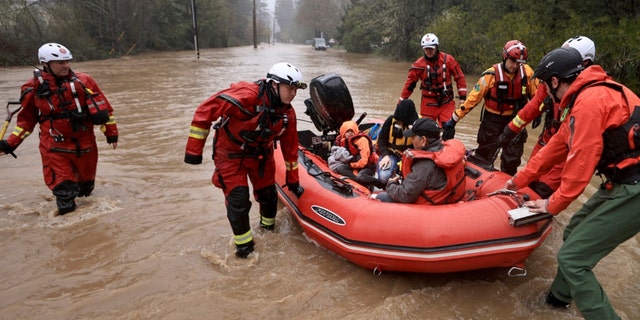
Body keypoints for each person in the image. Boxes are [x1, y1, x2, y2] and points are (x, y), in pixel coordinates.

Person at [505, 46, 640, 320]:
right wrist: (517, 182)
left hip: (633, 186)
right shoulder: (591, 95)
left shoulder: (589, 103)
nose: (546, 91)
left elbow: (579, 168)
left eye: (546, 84)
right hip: (622, 181)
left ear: (555, 81)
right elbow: (555, 147)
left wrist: (550, 204)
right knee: (574, 230)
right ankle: (559, 298)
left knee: (573, 259)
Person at [184, 62, 306, 258]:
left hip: (261, 155)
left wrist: (293, 181)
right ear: (274, 85)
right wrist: (193, 152)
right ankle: (244, 249)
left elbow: (290, 149)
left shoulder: (287, 114)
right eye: (289, 88)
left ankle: (268, 232)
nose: (293, 94)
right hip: (230, 155)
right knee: (239, 199)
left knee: (268, 196)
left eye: (295, 89)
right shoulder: (246, 96)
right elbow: (205, 111)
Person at [0, 43, 118, 215]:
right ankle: (68, 234)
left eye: (67, 61)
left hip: (85, 146)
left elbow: (105, 109)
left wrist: (112, 134)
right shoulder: (32, 88)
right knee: (65, 195)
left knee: (86, 193)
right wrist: (9, 144)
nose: (66, 65)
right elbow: (26, 121)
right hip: (55, 148)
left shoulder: (85, 81)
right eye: (60, 62)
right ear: (45, 64)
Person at [498, 36, 597, 198]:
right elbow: (532, 107)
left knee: (543, 189)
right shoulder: (553, 80)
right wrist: (510, 130)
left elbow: (584, 149)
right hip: (547, 139)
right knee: (528, 179)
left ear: (584, 63)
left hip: (566, 149)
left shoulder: (589, 96)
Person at [443, 40, 539, 175]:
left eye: (519, 63)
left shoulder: (527, 73)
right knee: (484, 156)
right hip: (492, 122)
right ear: (505, 57)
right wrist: (453, 120)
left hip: (515, 120)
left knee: (512, 158)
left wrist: (538, 113)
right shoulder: (490, 75)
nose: (515, 65)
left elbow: (538, 95)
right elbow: (472, 99)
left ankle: (507, 184)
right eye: (512, 61)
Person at [374, 118, 466, 204]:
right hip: (449, 195)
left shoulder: (424, 165)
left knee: (382, 197)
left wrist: (391, 184)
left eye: (413, 137)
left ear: (423, 140)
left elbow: (405, 195)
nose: (411, 140)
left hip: (433, 205)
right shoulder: (445, 149)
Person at [399, 33, 467, 126]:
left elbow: (459, 77)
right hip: (428, 104)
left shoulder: (448, 60)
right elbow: (410, 85)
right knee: (427, 130)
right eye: (426, 49)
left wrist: (463, 97)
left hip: (446, 102)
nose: (428, 51)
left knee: (448, 129)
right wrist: (401, 101)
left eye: (431, 48)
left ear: (436, 47)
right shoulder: (419, 65)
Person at [375, 99, 419, 184]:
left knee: (411, 180)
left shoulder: (417, 124)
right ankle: (392, 180)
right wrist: (385, 155)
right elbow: (382, 141)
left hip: (410, 157)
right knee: (384, 177)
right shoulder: (391, 121)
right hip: (391, 154)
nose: (400, 123)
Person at [331, 120, 380, 189]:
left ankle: (381, 184)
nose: (350, 133)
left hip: (367, 166)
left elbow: (364, 161)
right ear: (343, 132)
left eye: (352, 131)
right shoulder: (340, 140)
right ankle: (360, 183)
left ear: (355, 131)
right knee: (340, 168)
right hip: (354, 165)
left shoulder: (362, 140)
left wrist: (350, 164)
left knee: (361, 177)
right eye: (347, 131)